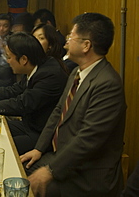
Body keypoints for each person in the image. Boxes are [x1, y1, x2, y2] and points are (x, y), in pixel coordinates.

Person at [20, 13, 126, 197]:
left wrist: (50, 170)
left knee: (24, 186)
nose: (66, 41)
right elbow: (59, 111)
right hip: (61, 158)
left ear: (86, 45)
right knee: (15, 169)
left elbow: (88, 139)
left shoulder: (107, 84)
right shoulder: (77, 72)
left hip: (87, 174)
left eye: (71, 36)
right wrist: (38, 148)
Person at [0, 32, 68, 154]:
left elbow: (23, 104)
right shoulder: (38, 66)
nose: (8, 61)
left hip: (43, 134)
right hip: (29, 124)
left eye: (9, 57)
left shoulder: (50, 74)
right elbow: (15, 89)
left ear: (24, 59)